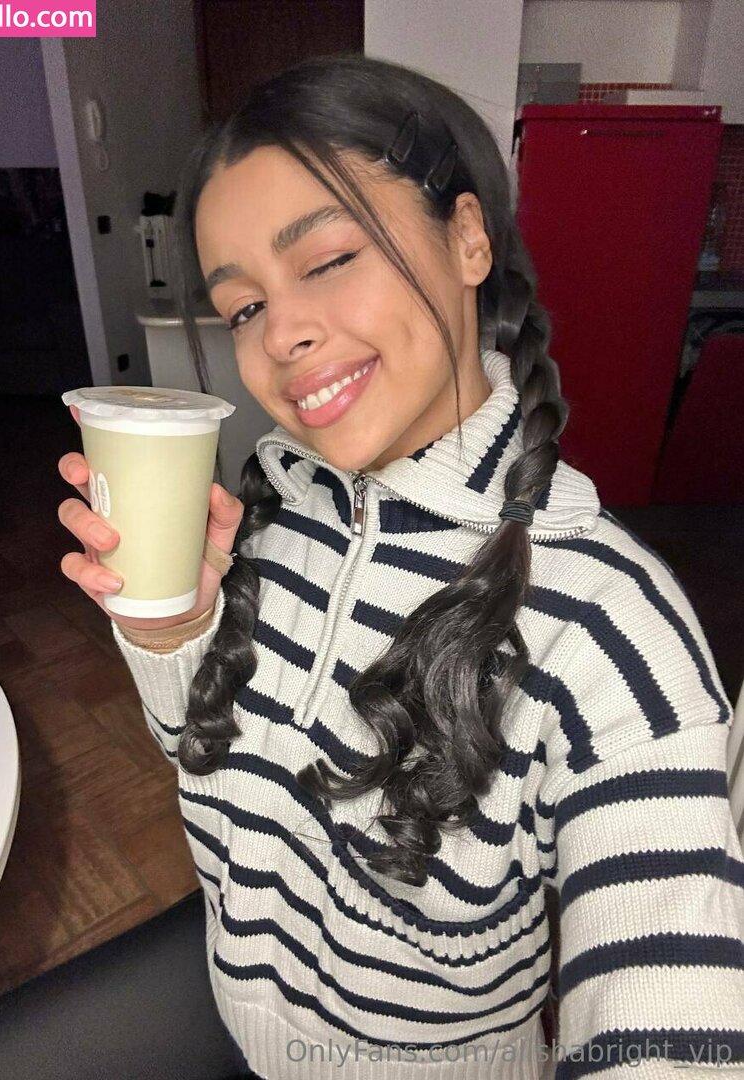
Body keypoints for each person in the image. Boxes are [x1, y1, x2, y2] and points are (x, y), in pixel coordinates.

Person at [57, 54, 744, 1080]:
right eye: (243, 308)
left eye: (329, 258)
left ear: (468, 237)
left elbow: (672, 1018)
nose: (283, 334)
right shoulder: (276, 511)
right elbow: (211, 765)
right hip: (240, 1035)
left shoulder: (608, 628)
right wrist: (173, 633)